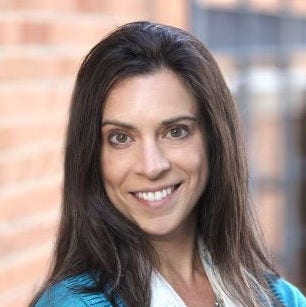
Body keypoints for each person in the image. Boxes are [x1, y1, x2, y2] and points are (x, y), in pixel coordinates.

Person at [30, 21, 306, 307]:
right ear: (92, 156)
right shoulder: (72, 303)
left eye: (176, 131)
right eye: (121, 138)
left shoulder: (284, 299)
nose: (151, 167)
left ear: (214, 140)